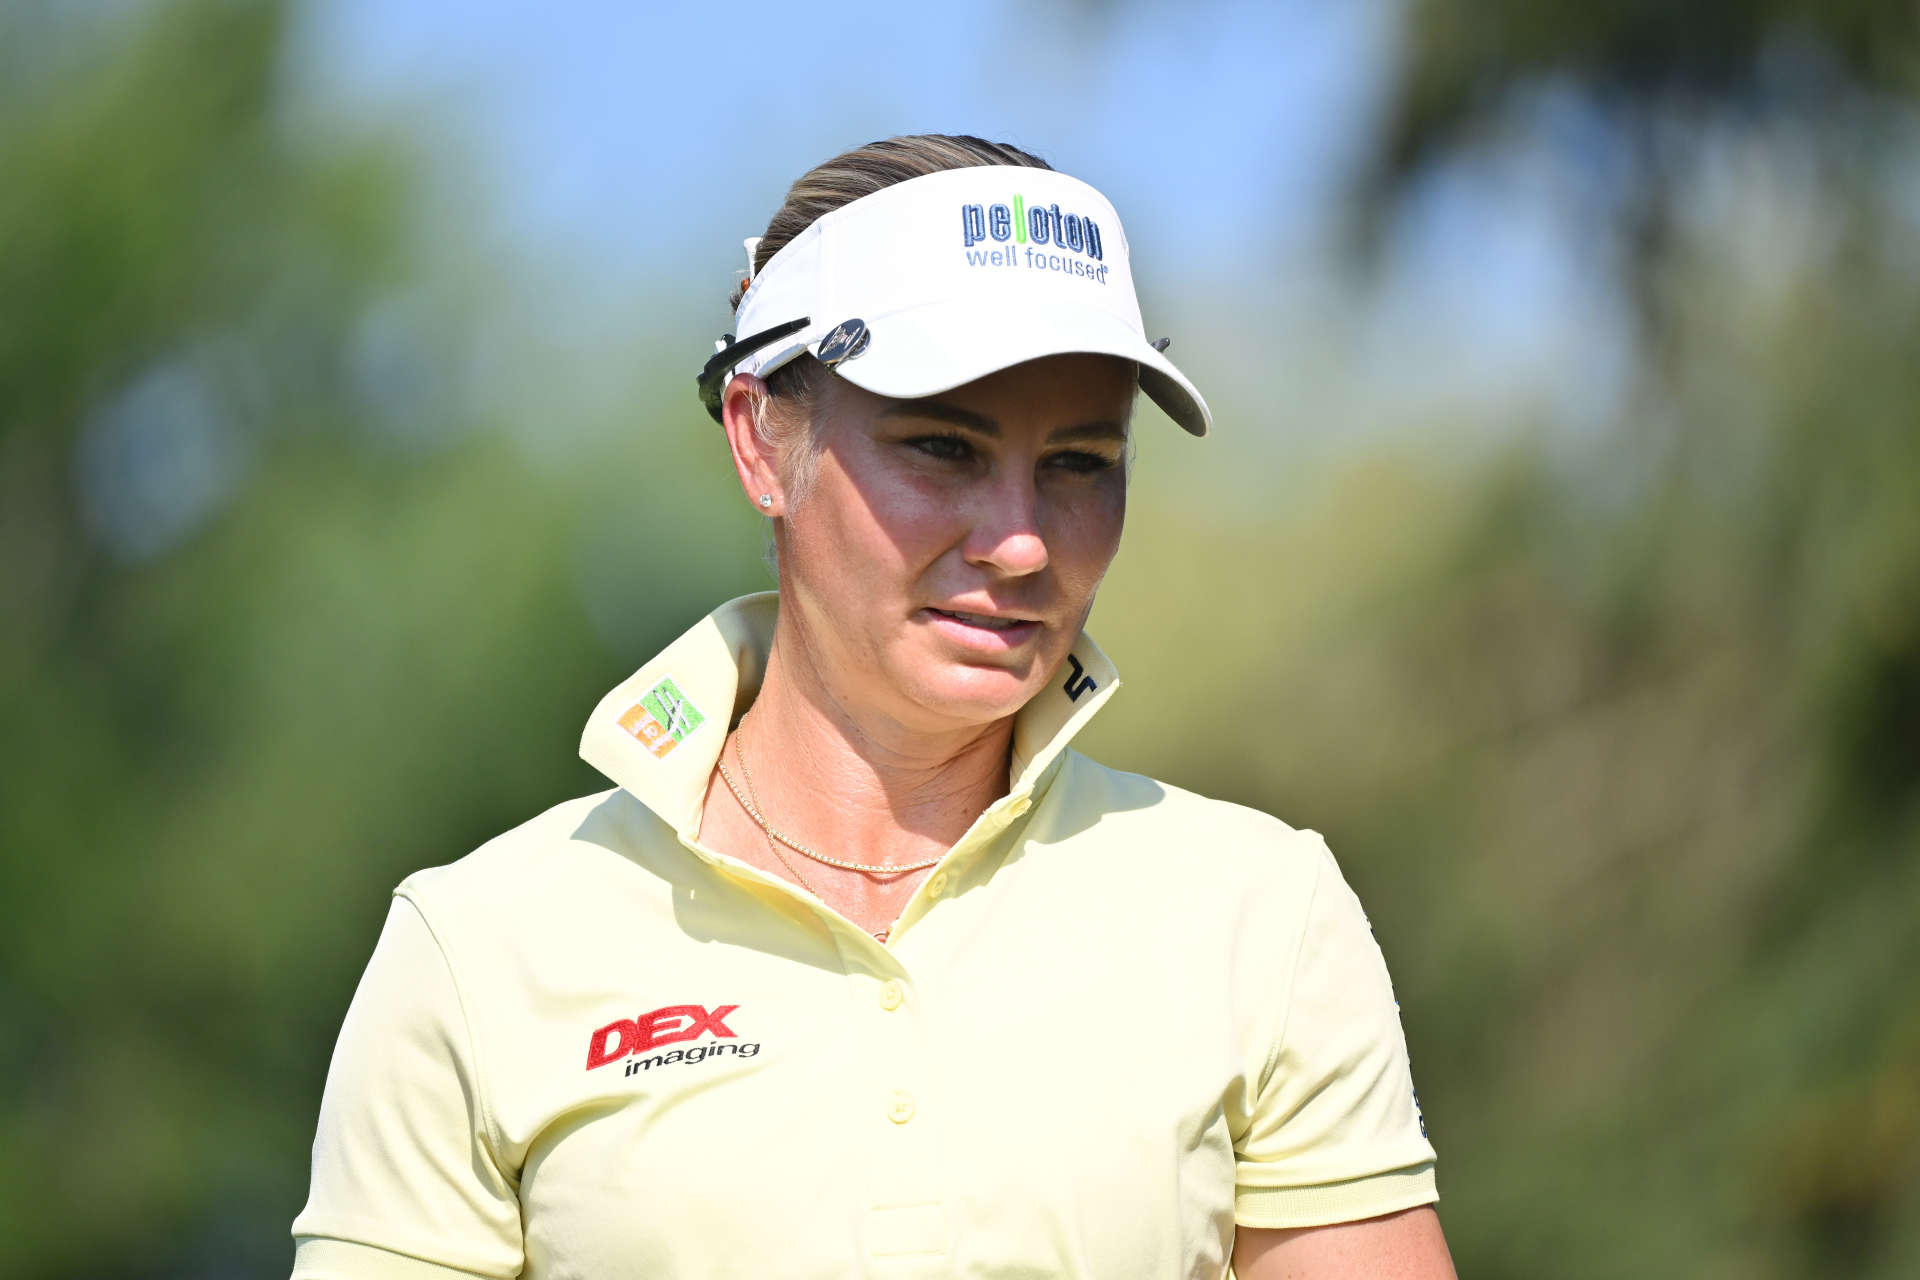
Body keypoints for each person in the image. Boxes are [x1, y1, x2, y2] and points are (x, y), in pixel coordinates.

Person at [291, 134, 1455, 1280]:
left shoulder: (1261, 912)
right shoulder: (479, 948)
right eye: (943, 446)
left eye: (1081, 462)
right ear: (761, 438)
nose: (1019, 539)